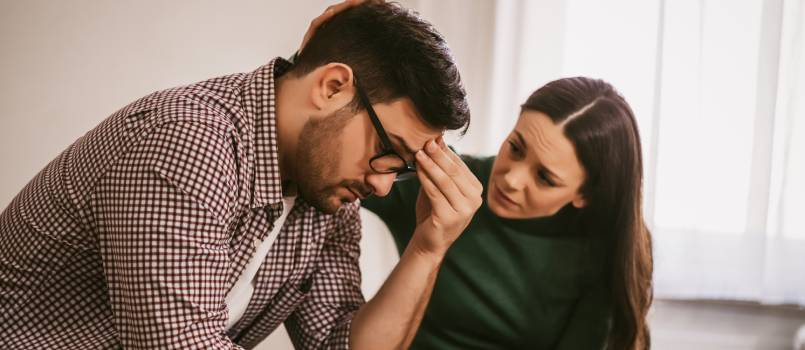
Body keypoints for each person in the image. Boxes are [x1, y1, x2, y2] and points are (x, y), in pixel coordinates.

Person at [0, 2, 484, 349]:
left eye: (399, 170)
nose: (381, 185)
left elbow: (342, 344)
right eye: (387, 150)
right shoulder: (188, 140)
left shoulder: (329, 196)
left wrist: (428, 247)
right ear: (333, 87)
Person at [363, 77, 654, 349]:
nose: (511, 180)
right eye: (515, 148)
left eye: (545, 178)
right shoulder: (444, 185)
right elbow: (328, 165)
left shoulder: (604, 253)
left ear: (585, 195)